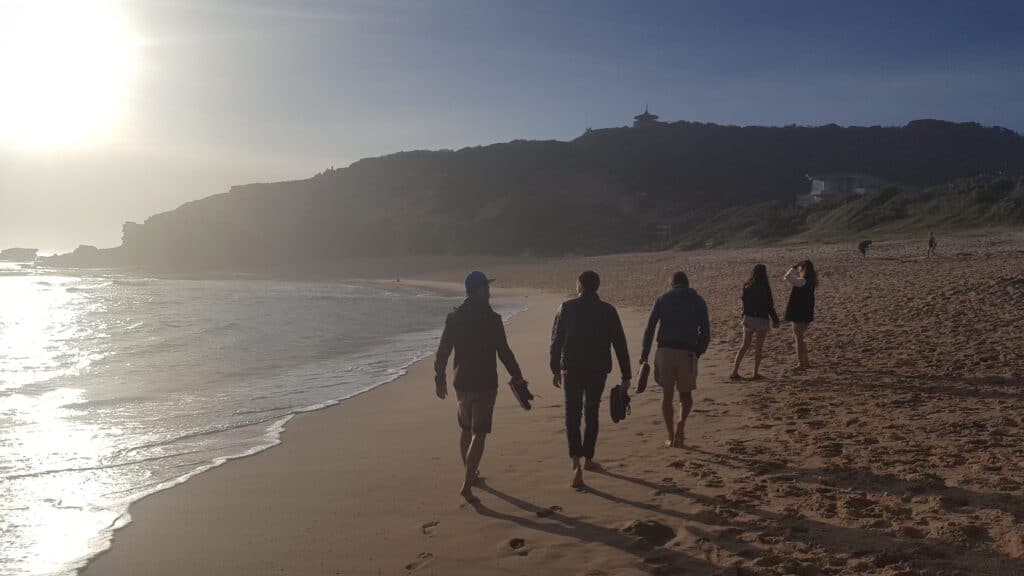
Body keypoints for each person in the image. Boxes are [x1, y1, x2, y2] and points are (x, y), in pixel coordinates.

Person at [435, 271, 525, 503]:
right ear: (479, 290)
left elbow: (443, 350)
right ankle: (467, 484)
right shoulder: (492, 319)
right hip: (485, 384)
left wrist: (440, 377)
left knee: (466, 430)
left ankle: (471, 473)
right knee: (479, 433)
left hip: (461, 382)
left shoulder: (454, 316)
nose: (490, 291)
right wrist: (517, 375)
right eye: (487, 287)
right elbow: (504, 352)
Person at [550, 270, 631, 489]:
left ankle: (575, 463)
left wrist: (555, 368)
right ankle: (588, 459)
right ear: (597, 286)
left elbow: (556, 340)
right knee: (592, 412)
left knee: (572, 414)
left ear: (579, 285)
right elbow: (620, 344)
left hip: (571, 369)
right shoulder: (608, 310)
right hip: (597, 370)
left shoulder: (566, 307)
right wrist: (626, 375)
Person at [640, 271, 710, 449]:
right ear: (687, 283)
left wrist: (644, 354)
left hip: (665, 350)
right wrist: (698, 351)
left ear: (671, 284)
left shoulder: (663, 298)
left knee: (667, 395)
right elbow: (705, 332)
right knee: (686, 395)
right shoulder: (698, 300)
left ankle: (670, 436)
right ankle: (681, 427)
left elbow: (650, 328)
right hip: (687, 352)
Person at [730, 264, 780, 380]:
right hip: (761, 319)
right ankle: (755, 373)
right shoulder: (765, 287)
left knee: (744, 346)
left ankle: (734, 371)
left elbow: (743, 304)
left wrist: (743, 316)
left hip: (748, 318)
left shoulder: (746, 286)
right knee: (758, 348)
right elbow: (769, 306)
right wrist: (775, 320)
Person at [783, 261, 817, 371]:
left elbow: (787, 277)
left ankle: (801, 363)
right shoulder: (810, 281)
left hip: (799, 312)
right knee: (799, 337)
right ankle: (805, 362)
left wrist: (793, 267)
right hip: (806, 311)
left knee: (798, 338)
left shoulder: (802, 281)